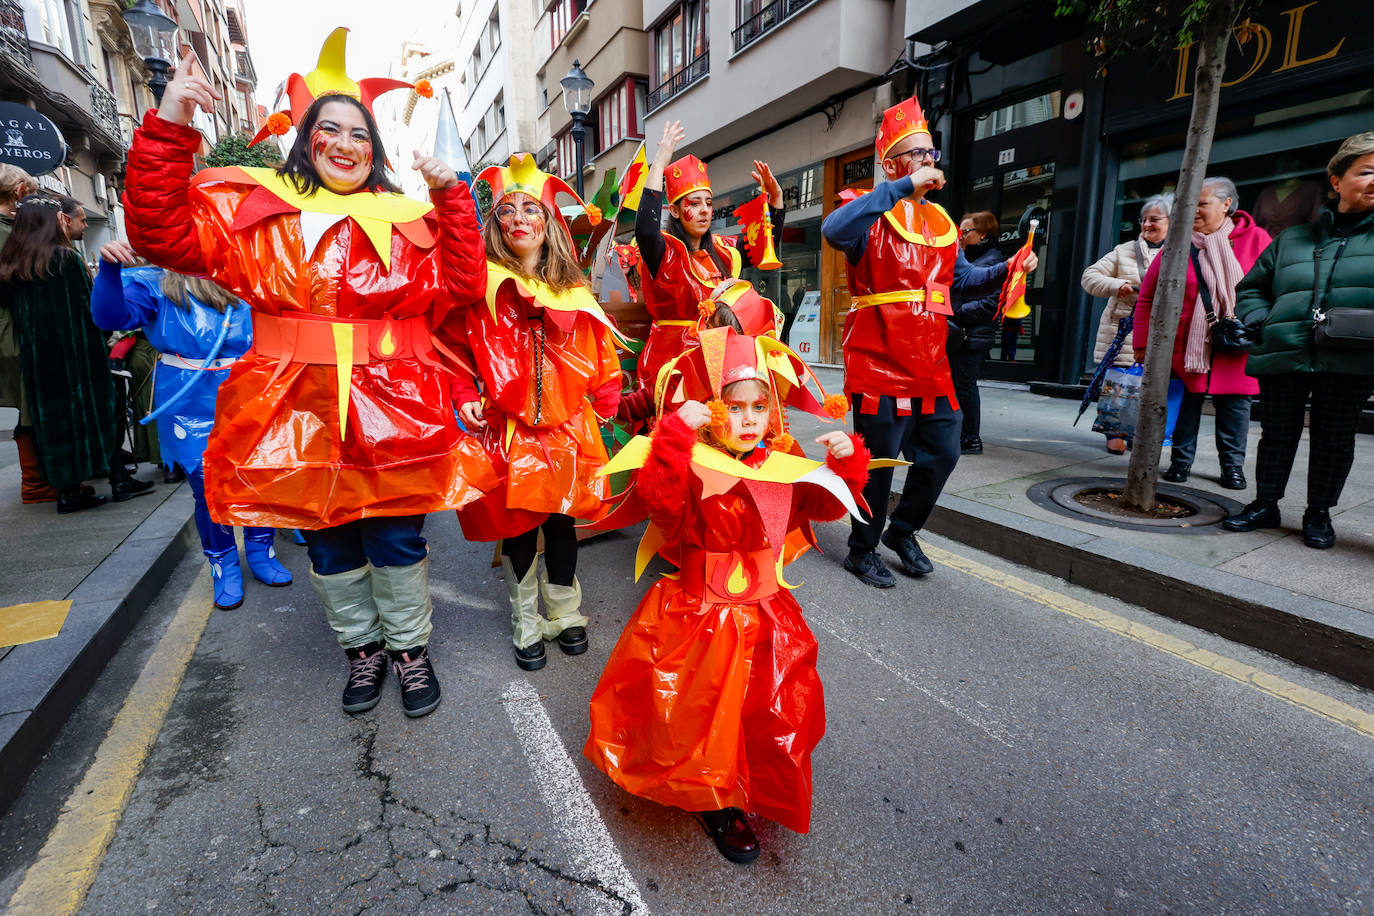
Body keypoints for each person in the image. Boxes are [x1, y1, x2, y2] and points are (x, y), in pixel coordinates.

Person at [121, 33, 495, 718]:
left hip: (394, 408)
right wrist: (171, 121)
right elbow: (161, 233)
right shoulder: (258, 214)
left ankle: (409, 651)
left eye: (360, 133)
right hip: (295, 410)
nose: (347, 144)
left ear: (375, 149)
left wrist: (450, 201)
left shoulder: (409, 220)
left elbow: (464, 286)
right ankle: (363, 651)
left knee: (395, 536)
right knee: (325, 535)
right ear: (308, 140)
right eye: (331, 129)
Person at [584, 323, 870, 865]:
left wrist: (846, 462)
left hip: (764, 613)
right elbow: (662, 504)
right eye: (734, 407)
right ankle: (714, 800)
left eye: (758, 407)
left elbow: (824, 508)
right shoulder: (694, 465)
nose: (747, 420)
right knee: (695, 714)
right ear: (714, 409)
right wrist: (672, 438)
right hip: (698, 614)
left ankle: (748, 783)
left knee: (767, 708)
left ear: (772, 412)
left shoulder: (781, 465)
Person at [452, 154, 623, 671]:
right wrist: (463, 393)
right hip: (510, 431)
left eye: (531, 208)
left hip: (569, 429)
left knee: (564, 523)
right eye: (508, 210)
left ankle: (565, 613)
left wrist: (609, 395)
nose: (520, 218)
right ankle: (527, 620)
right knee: (520, 527)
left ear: (548, 224)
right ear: (496, 224)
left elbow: (601, 351)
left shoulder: (572, 291)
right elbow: (456, 348)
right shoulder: (482, 289)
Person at [90, 242, 293, 609]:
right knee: (208, 487)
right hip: (186, 400)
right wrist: (107, 270)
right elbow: (111, 318)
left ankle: (262, 551)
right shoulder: (154, 282)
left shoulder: (249, 272)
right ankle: (224, 564)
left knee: (256, 477)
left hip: (249, 391)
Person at [820, 93, 959, 587]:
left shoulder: (941, 223)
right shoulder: (867, 210)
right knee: (878, 466)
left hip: (931, 365)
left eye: (931, 153)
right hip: (879, 361)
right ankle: (862, 549)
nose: (928, 161)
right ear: (894, 163)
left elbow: (959, 281)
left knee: (943, 452)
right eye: (918, 154)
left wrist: (1009, 270)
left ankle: (903, 531)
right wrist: (899, 188)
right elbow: (833, 230)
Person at [1223, 132, 1374, 548]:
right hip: (1285, 350)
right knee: (1277, 433)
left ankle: (1319, 513)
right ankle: (1264, 503)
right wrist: (1261, 319)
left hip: (1352, 357)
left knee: (1335, 438)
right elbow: (1252, 287)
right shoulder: (1292, 239)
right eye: (1367, 171)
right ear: (1337, 180)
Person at [0, 195, 154, 513]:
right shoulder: (64, 259)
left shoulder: (12, 265)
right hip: (80, 356)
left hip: (39, 360)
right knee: (103, 414)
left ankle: (68, 491)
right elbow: (91, 312)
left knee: (52, 422)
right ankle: (119, 479)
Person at [1133, 177, 1271, 489]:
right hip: (1187, 344)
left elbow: (1271, 292)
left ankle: (1232, 467)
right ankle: (1180, 463)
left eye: (1202, 203)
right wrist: (1142, 343)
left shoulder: (1257, 239)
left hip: (1237, 343)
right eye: (1190, 204)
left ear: (1226, 204)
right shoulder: (1178, 244)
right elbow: (1146, 297)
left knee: (1235, 409)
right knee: (1186, 406)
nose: (1194, 210)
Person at [634, 120, 784, 390]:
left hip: (716, 357)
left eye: (708, 202)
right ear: (676, 211)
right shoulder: (664, 251)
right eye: (694, 203)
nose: (704, 210)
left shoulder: (724, 252)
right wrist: (661, 160)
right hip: (670, 362)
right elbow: (645, 228)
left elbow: (762, 250)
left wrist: (776, 200)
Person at [1081, 193, 1172, 454]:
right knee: (1119, 384)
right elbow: (1090, 276)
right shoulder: (1124, 250)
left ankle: (1142, 433)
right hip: (1124, 327)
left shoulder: (1181, 251)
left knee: (1151, 386)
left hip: (1162, 329)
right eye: (1143, 220)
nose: (1146, 225)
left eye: (1154, 219)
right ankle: (1114, 431)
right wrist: (1117, 285)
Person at [0, 164, 56, 504]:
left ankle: (39, 480)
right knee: (29, 404)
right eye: (29, 191)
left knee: (31, 403)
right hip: (12, 328)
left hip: (16, 324)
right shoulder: (5, 229)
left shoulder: (11, 226)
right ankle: (34, 484)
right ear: (19, 190)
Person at [950, 211, 1005, 455]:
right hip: (958, 332)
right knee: (956, 385)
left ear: (982, 234)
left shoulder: (992, 260)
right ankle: (960, 434)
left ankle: (971, 439)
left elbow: (992, 303)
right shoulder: (966, 257)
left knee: (965, 386)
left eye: (965, 231)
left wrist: (954, 311)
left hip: (970, 334)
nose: (960, 236)